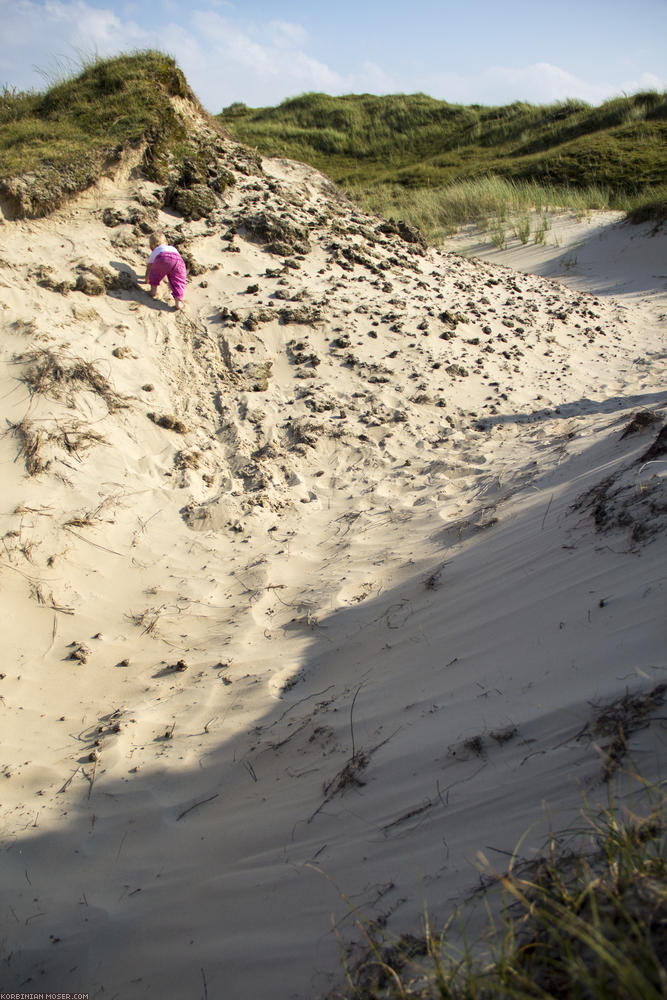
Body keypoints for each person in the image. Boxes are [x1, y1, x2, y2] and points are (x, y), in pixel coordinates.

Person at [142, 233, 186, 310]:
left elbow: (149, 267)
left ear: (151, 247)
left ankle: (153, 291)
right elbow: (178, 258)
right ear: (166, 242)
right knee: (178, 281)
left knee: (155, 273)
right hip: (178, 261)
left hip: (163, 257)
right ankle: (178, 301)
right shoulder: (172, 248)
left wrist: (147, 280)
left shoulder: (155, 251)